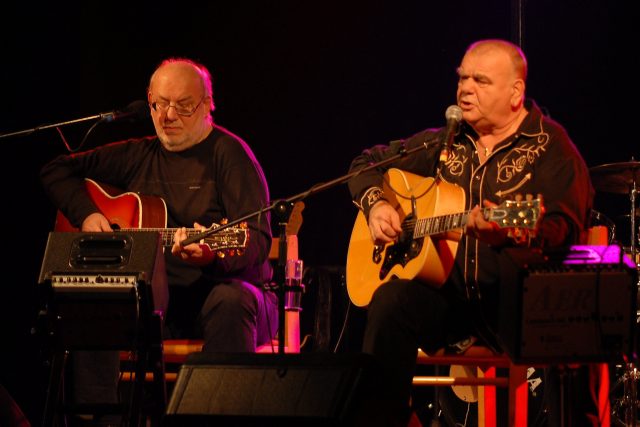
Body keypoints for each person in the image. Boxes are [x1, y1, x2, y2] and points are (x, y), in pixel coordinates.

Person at [347, 39, 597, 425]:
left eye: (480, 80)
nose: (465, 89)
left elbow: (563, 228)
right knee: (391, 302)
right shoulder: (447, 140)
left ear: (515, 92)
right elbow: (365, 164)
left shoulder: (551, 147)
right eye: (462, 78)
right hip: (453, 307)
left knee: (567, 312)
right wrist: (376, 204)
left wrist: (507, 235)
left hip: (519, 310)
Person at [40, 58, 277, 419]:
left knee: (230, 301)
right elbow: (56, 169)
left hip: (222, 298)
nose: (168, 115)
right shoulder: (138, 154)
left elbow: (257, 240)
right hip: (154, 303)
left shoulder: (229, 155)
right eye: (159, 104)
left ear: (207, 104)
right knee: (96, 302)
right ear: (148, 100)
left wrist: (212, 257)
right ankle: (101, 419)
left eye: (182, 105)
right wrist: (88, 215)